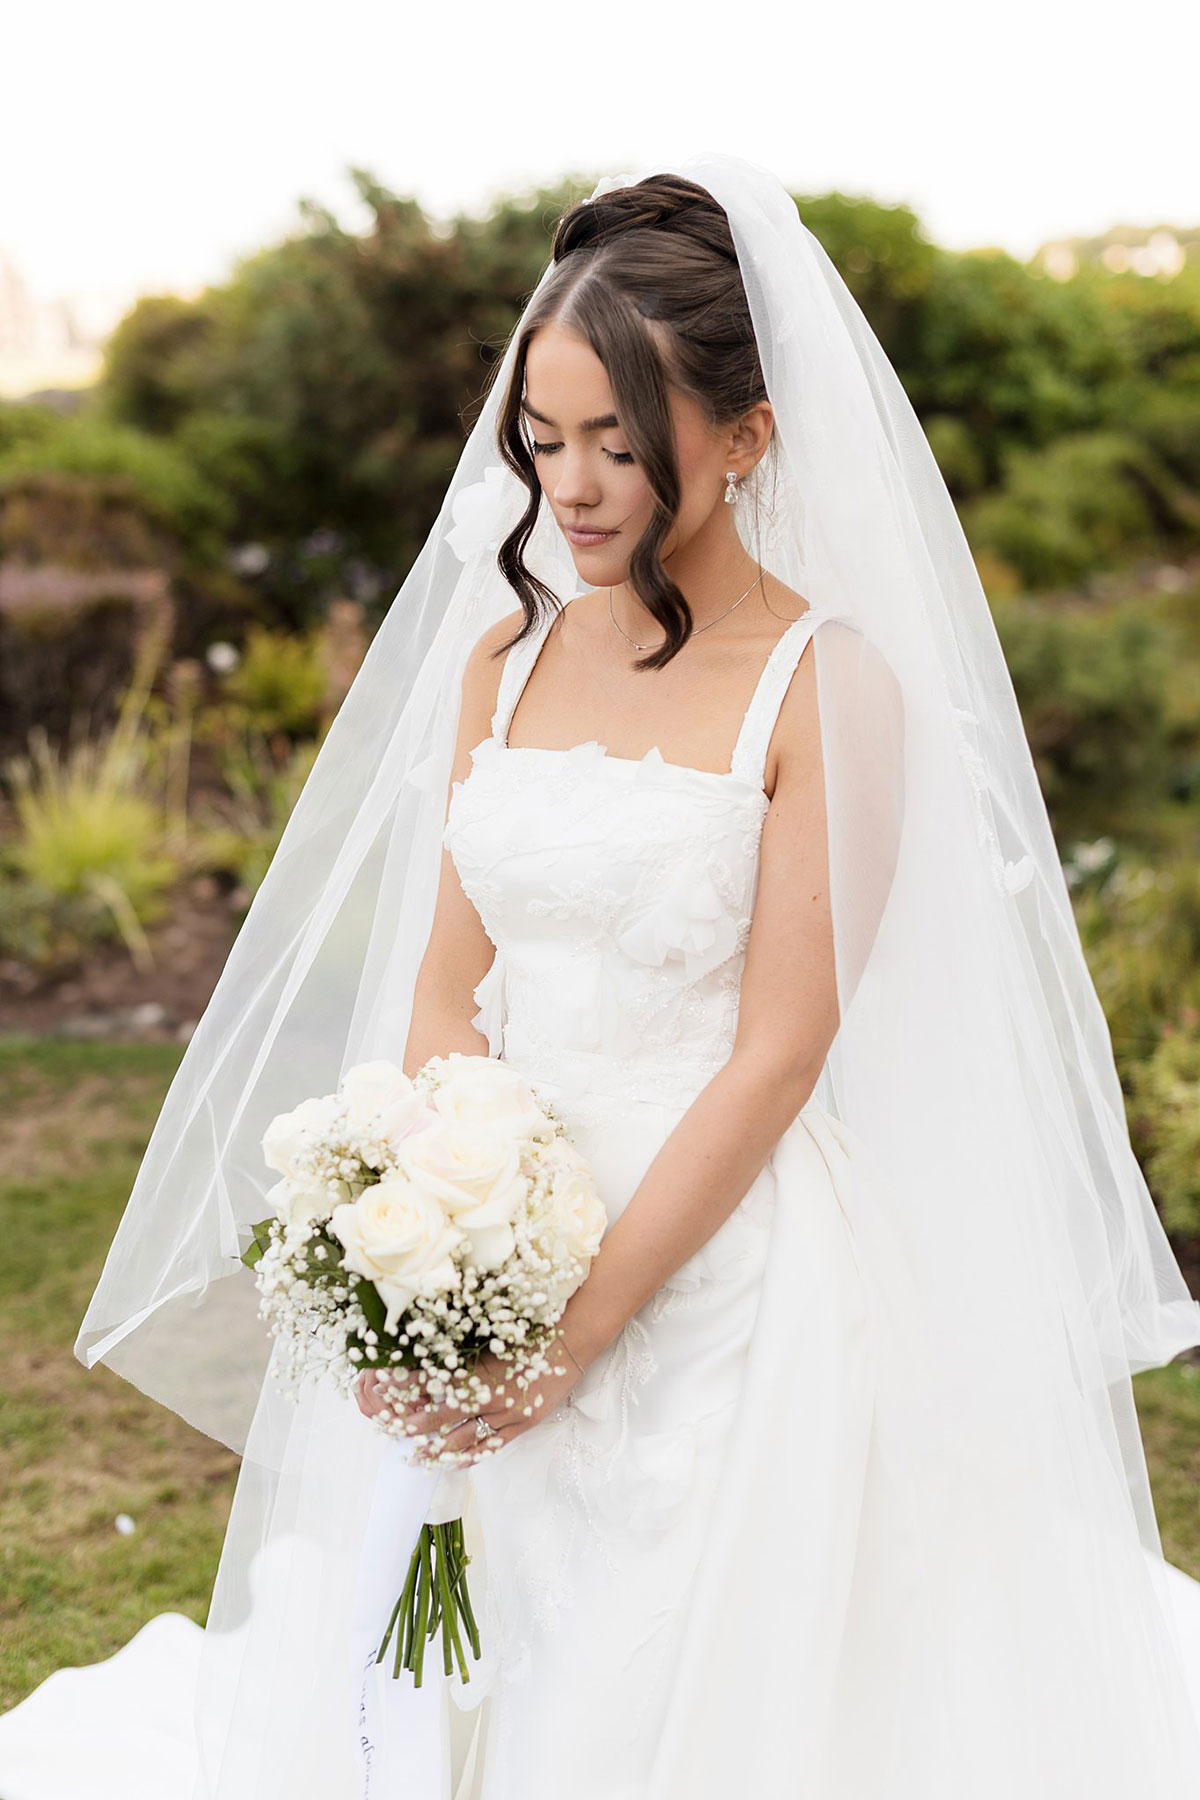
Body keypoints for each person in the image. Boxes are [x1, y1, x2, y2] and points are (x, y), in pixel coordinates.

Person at [4, 153, 1199, 1800]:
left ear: (747, 438)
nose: (569, 486)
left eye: (621, 444)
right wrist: (427, 1245)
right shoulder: (503, 659)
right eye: (544, 440)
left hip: (724, 1274)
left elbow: (783, 1051)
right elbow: (444, 981)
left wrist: (572, 1333)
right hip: (493, 1210)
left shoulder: (823, 685)